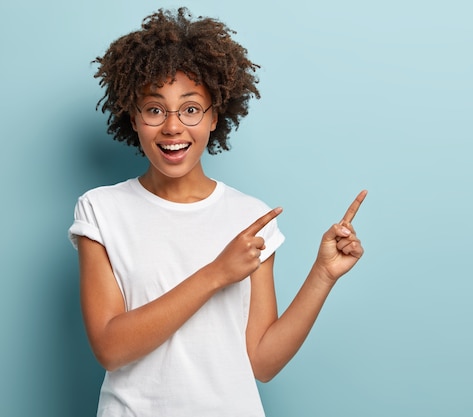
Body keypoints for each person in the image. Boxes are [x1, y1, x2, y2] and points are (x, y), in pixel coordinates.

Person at [68, 7, 366, 417]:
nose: (173, 127)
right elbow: (110, 348)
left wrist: (322, 274)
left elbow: (261, 362)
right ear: (133, 118)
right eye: (155, 109)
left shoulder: (251, 217)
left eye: (190, 109)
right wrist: (216, 274)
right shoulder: (101, 210)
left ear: (214, 118)